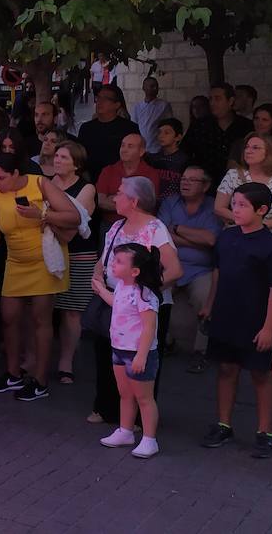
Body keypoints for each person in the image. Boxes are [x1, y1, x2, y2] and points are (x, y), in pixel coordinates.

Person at [0, 153, 80, 401]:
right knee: (9, 318)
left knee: (41, 320)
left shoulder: (39, 183)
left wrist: (42, 215)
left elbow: (74, 217)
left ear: (16, 173)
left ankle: (40, 380)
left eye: (1, 177)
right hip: (15, 261)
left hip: (43, 261)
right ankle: (13, 373)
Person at [202, 182, 272, 458]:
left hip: (255, 321)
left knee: (260, 374)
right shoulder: (226, 238)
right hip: (226, 315)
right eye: (233, 204)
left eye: (242, 205)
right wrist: (209, 304)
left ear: (262, 210)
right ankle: (224, 424)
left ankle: (265, 432)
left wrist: (269, 327)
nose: (234, 210)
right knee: (226, 369)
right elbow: (218, 272)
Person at [87, 177, 183, 424]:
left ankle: (140, 419)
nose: (114, 198)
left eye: (119, 193)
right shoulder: (117, 226)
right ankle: (107, 409)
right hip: (114, 302)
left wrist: (143, 292)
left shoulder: (155, 229)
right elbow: (105, 258)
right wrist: (97, 276)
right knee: (108, 353)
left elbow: (174, 269)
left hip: (141, 308)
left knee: (141, 361)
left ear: (134, 200)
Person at [94, 243, 164, 458]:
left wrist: (142, 355)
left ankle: (150, 439)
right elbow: (117, 303)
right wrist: (101, 290)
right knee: (125, 394)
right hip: (119, 349)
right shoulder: (123, 287)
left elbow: (149, 327)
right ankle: (125, 431)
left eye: (119, 262)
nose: (113, 264)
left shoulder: (145, 295)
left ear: (135, 271)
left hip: (137, 353)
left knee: (144, 398)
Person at [160, 165, 223, 373]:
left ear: (205, 186)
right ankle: (164, 342)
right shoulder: (170, 203)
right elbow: (162, 235)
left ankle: (200, 352)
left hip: (200, 269)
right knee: (153, 293)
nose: (185, 183)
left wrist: (177, 229)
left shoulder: (213, 207)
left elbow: (211, 239)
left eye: (192, 180)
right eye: (183, 179)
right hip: (170, 263)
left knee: (206, 297)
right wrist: (197, 239)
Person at [51, 140, 98, 385]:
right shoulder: (45, 182)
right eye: (57, 156)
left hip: (79, 254)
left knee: (71, 312)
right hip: (48, 252)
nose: (57, 160)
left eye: (64, 157)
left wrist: (47, 216)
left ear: (77, 164)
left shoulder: (87, 188)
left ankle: (66, 361)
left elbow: (76, 222)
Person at [215, 133, 272, 243]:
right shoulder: (233, 175)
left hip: (271, 238)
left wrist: (268, 224)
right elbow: (219, 208)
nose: (248, 151)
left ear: (269, 152)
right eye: (247, 147)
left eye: (255, 148)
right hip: (238, 237)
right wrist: (247, 221)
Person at [184, 83, 253, 190]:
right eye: (210, 99)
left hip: (237, 186)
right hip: (204, 188)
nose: (212, 103)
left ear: (230, 101)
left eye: (217, 99)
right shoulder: (199, 125)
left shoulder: (246, 126)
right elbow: (185, 152)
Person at [77, 85, 140, 181]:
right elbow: (80, 157)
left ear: (117, 104)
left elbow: (136, 158)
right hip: (91, 181)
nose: (100, 102)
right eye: (98, 97)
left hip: (121, 182)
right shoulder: (86, 128)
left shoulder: (129, 128)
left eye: (106, 99)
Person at [96, 133, 161, 224]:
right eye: (122, 145)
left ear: (141, 151)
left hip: (139, 224)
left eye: (130, 146)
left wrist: (114, 198)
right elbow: (100, 202)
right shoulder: (108, 170)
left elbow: (148, 206)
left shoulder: (151, 174)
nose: (124, 150)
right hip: (110, 224)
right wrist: (131, 203)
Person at [148, 117, 189, 199]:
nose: (161, 136)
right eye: (159, 132)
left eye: (167, 133)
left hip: (175, 201)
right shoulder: (154, 158)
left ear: (178, 137)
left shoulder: (184, 160)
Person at [133, 77, 174, 154]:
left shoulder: (164, 105)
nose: (155, 88)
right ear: (144, 88)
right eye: (152, 86)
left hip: (157, 147)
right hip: (141, 148)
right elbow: (134, 125)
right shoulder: (137, 107)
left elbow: (169, 125)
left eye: (156, 86)